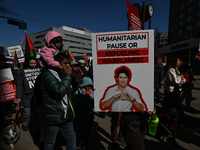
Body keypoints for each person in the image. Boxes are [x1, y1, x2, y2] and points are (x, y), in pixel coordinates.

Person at [40, 53, 78, 150]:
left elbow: (74, 87)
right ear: (57, 63)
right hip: (54, 114)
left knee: (71, 139)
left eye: (68, 63)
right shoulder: (47, 74)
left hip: (66, 113)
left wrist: (71, 76)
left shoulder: (63, 73)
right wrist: (67, 76)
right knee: (50, 141)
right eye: (65, 63)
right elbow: (59, 92)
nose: (68, 66)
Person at [16, 56, 39, 132]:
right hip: (26, 96)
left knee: (36, 113)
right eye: (31, 63)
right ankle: (25, 124)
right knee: (27, 113)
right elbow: (19, 85)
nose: (33, 65)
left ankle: (35, 126)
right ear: (28, 63)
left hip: (37, 96)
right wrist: (19, 97)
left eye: (34, 63)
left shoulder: (39, 71)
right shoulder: (22, 72)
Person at [162, 57, 186, 123]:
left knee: (176, 106)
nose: (180, 62)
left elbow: (181, 80)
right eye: (178, 61)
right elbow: (175, 81)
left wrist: (182, 78)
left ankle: (177, 120)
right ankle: (173, 121)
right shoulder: (170, 70)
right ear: (174, 62)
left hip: (176, 91)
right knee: (173, 106)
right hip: (171, 92)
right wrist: (180, 77)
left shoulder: (176, 70)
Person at [74, 77, 94, 150]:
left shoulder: (91, 92)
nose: (89, 89)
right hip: (82, 118)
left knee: (88, 134)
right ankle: (79, 146)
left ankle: (85, 145)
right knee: (82, 134)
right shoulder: (78, 94)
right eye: (86, 87)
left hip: (89, 117)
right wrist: (87, 97)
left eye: (90, 87)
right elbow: (80, 105)